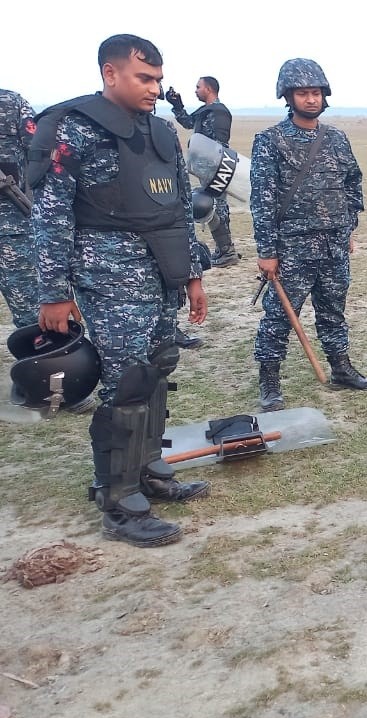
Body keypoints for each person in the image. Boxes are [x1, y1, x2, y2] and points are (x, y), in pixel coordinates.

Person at [30, 34, 211, 547]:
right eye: (144, 78)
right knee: (127, 382)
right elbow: (51, 216)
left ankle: (149, 469)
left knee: (158, 367)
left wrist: (192, 275)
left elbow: (178, 208)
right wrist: (54, 292)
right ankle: (119, 500)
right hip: (107, 277)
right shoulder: (75, 129)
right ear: (111, 74)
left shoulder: (159, 131)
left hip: (159, 274)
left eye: (157, 78)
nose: (155, 88)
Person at [252, 58, 367, 412]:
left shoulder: (337, 138)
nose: (311, 99)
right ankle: (270, 381)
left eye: (316, 93)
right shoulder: (270, 141)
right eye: (303, 93)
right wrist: (267, 250)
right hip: (292, 247)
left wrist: (347, 224)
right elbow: (262, 198)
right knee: (279, 315)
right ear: (288, 97)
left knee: (333, 310)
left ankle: (341, 367)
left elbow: (353, 181)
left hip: (334, 245)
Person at [166, 76, 238, 268]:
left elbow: (219, 144)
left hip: (216, 167)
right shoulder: (206, 111)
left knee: (215, 207)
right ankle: (224, 249)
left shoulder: (218, 112)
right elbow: (189, 123)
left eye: (198, 87)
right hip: (208, 167)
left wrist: (214, 167)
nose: (196, 90)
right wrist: (177, 105)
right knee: (215, 206)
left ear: (208, 89)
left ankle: (227, 251)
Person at [0, 88, 38, 333]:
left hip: (13, 229)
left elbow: (41, 151)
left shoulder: (10, 103)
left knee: (32, 316)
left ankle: (43, 367)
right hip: (14, 229)